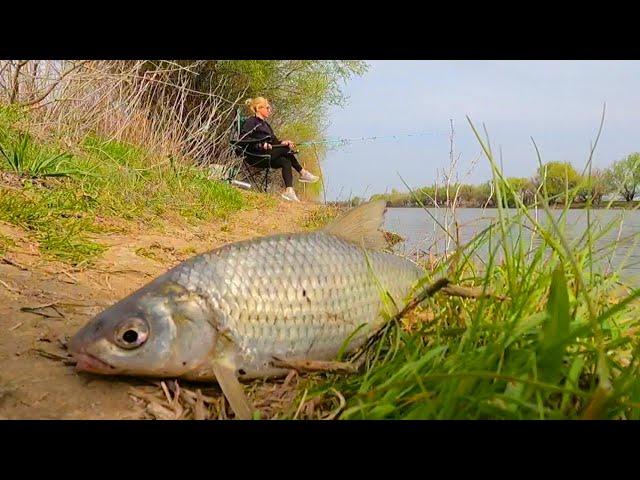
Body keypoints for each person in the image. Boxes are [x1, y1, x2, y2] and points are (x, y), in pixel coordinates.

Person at [240, 97, 319, 202]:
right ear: (259, 108)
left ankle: (289, 191)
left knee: (285, 161)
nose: (270, 110)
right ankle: (303, 173)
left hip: (267, 155)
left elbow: (275, 142)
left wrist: (283, 142)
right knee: (285, 149)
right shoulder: (251, 122)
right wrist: (260, 144)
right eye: (267, 108)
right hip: (255, 156)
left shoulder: (266, 125)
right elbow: (243, 138)